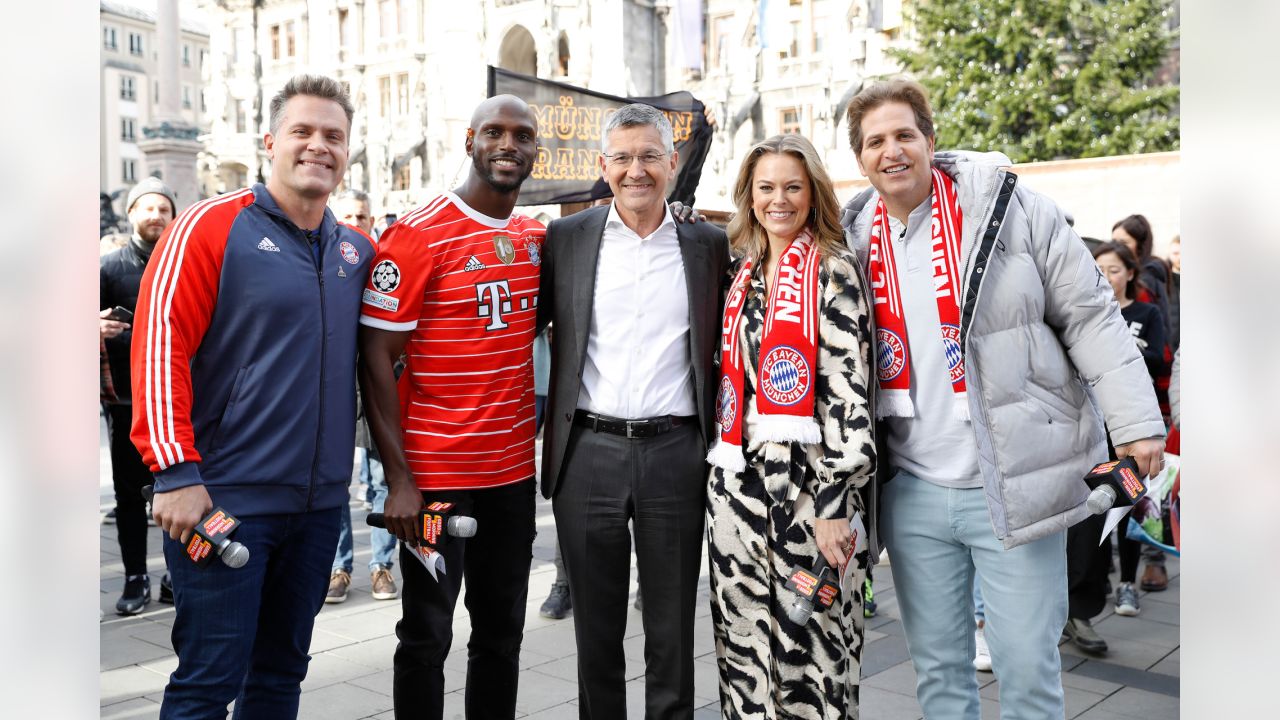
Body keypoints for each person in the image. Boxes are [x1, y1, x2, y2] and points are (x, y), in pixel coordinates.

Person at [839, 79, 1165, 719]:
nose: (893, 151)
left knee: (1027, 672)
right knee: (938, 676)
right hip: (912, 488)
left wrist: (1136, 423)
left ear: (931, 140)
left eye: (905, 134)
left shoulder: (1009, 209)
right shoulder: (851, 237)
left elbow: (1091, 318)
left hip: (1015, 481)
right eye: (875, 141)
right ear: (860, 159)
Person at [131, 74, 373, 719]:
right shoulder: (209, 227)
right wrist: (176, 474)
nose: (318, 146)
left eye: (334, 136)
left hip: (320, 506)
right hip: (223, 499)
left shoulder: (356, 249)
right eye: (303, 131)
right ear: (270, 142)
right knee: (209, 682)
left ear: (347, 151)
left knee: (280, 677)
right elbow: (160, 348)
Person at [536, 103, 729, 718]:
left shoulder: (708, 246)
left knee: (671, 629)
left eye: (649, 155)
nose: (635, 170)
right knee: (595, 631)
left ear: (672, 163)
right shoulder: (565, 240)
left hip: (676, 453)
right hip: (587, 451)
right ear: (603, 166)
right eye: (621, 158)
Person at [359, 95, 543, 720]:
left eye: (522, 135)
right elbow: (375, 359)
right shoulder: (417, 234)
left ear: (535, 152)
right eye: (495, 131)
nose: (508, 144)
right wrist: (400, 480)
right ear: (469, 141)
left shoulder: (533, 236)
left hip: (513, 478)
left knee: (501, 635)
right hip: (436, 482)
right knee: (426, 637)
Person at [703, 133, 875, 718]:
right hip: (736, 483)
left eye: (792, 187)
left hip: (809, 491)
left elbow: (849, 394)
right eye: (766, 188)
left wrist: (834, 505)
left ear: (813, 194)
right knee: (745, 643)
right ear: (749, 197)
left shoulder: (834, 270)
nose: (779, 200)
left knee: (814, 645)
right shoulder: (742, 273)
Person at [100, 176, 178, 615]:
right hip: (126, 403)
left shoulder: (185, 260)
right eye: (147, 208)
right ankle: (135, 578)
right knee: (130, 496)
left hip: (179, 402)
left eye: (163, 209)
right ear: (131, 213)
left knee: (179, 489)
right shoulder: (109, 267)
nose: (155, 216)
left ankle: (175, 575)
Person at [325, 189, 399, 604]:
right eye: (349, 215)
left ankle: (381, 566)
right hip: (334, 388)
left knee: (381, 481)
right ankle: (339, 566)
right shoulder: (323, 258)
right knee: (335, 483)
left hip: (375, 384)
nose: (357, 222)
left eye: (363, 215)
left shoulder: (384, 264)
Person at [1092, 241, 1171, 619]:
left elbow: (1158, 358)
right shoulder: (1087, 313)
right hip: (1093, 425)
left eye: (1114, 269)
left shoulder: (1147, 312)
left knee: (1127, 504)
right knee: (1091, 505)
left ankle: (1127, 583)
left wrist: (1123, 354)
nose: (1106, 277)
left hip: (1130, 428)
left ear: (1130, 274)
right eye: (1100, 269)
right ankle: (1093, 582)